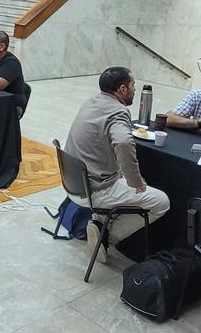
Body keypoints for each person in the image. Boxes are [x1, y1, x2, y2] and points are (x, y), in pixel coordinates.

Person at [65, 66, 170, 262]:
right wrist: (136, 182)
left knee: (120, 172)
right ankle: (107, 236)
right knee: (162, 202)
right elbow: (123, 142)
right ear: (122, 89)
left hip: (73, 183)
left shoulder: (92, 101)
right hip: (96, 190)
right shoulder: (118, 111)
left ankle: (98, 223)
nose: (134, 90)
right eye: (133, 85)